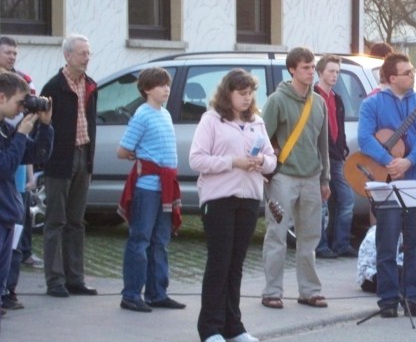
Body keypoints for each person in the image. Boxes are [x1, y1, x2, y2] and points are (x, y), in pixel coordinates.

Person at [190, 69, 277, 342]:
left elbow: (272, 159)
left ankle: (234, 327)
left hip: (249, 198)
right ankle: (210, 328)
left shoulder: (257, 122)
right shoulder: (211, 120)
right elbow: (197, 160)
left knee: (236, 263)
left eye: (250, 93)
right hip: (219, 199)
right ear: (228, 93)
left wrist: (262, 162)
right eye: (241, 93)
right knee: (219, 262)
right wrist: (232, 162)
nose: (247, 98)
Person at [358, 52, 416, 318]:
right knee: (387, 242)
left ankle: (414, 298)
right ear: (392, 78)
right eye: (407, 72)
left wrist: (409, 161)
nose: (413, 75)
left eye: (412, 71)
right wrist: (389, 160)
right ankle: (388, 300)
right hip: (386, 181)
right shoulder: (372, 104)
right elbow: (365, 138)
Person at [261, 47, 331, 310]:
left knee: (310, 237)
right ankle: (272, 292)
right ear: (292, 70)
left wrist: (326, 179)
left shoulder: (320, 102)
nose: (311, 71)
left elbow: (322, 144)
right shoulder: (277, 100)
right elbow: (261, 140)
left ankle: (309, 291)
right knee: (276, 235)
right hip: (283, 178)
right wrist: (268, 169)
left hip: (312, 177)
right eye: (306, 67)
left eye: (313, 67)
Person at [116, 67, 184, 313]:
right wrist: (142, 158)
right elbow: (123, 150)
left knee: (160, 241)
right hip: (147, 188)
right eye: (160, 85)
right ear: (147, 89)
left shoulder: (164, 114)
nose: (166, 88)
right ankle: (131, 294)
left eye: (167, 84)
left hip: (164, 188)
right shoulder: (142, 115)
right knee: (140, 239)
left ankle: (157, 292)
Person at [40, 34, 99, 298]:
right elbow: (43, 126)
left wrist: (89, 159)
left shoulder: (90, 86)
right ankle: (55, 280)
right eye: (82, 53)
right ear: (68, 56)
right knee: (56, 221)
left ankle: (75, 278)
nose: (87, 58)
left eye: (88, 53)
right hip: (59, 161)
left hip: (83, 156)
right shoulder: (53, 87)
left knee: (76, 221)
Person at [0, 72, 53, 318]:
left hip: (7, 211)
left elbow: (38, 155)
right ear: (2, 97)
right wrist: (21, 133)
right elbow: (4, 168)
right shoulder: (11, 131)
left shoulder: (4, 129)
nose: (22, 108)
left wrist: (44, 126)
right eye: (20, 102)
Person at [313, 54, 357, 259]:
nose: (335, 75)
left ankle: (341, 243)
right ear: (320, 72)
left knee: (347, 199)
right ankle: (320, 246)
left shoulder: (337, 98)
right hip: (320, 158)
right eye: (331, 71)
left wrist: (343, 148)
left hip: (337, 158)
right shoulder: (313, 96)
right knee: (321, 203)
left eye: (337, 72)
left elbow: (339, 127)